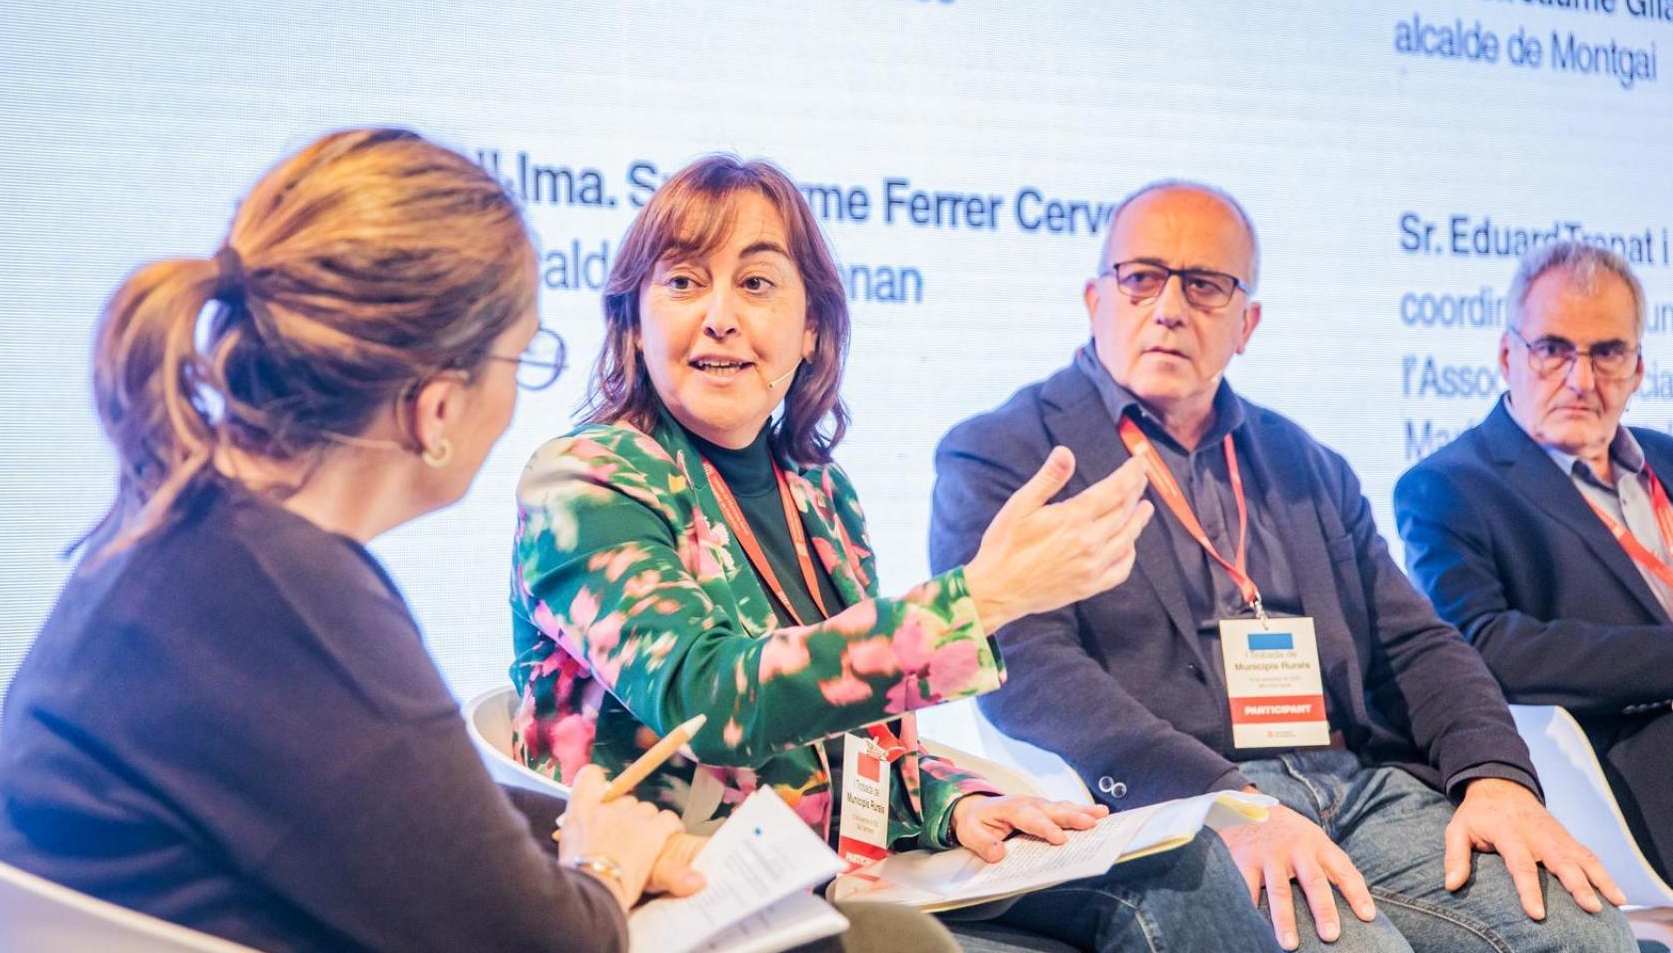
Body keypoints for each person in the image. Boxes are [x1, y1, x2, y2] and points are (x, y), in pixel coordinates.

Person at [0, 127, 764, 953]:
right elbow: (549, 946)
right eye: (519, 358)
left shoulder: (199, 542)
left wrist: (597, 831)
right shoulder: (286, 597)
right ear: (435, 409)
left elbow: (407, 803)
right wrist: (606, 868)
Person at [508, 154, 1280, 953]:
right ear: (634, 321)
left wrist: (958, 805)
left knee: (1184, 865)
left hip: (840, 872)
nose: (721, 316)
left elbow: (855, 740)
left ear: (812, 329)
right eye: (683, 282)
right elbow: (713, 706)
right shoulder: (587, 481)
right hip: (695, 899)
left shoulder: (818, 491)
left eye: (758, 284)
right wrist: (979, 598)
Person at [928, 180, 1638, 953]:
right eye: (1140, 278)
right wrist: (1224, 802)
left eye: (1205, 285)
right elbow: (1024, 666)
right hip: (1173, 802)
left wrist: (1495, 775)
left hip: (1357, 785)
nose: (1168, 308)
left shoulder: (1303, 462)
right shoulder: (1005, 452)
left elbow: (1417, 643)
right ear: (1094, 298)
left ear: (1247, 323)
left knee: (1586, 935)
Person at [1395, 241, 1673, 881]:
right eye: (1553, 349)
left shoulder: (1666, 458)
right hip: (1622, 771)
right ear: (1505, 356)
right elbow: (1484, 647)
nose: (1581, 379)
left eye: (1607, 352)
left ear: (1638, 369)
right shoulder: (1448, 486)